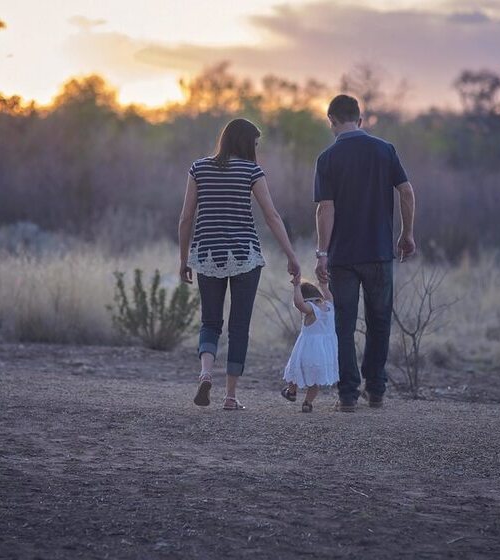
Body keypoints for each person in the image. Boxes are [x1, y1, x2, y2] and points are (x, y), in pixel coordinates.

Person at [178, 118, 301, 410]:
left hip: (207, 254)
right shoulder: (251, 171)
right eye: (255, 143)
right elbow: (271, 216)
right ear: (246, 143)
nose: (256, 149)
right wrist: (291, 255)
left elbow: (185, 218)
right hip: (245, 256)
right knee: (239, 326)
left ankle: (206, 372)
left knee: (210, 321)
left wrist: (184, 259)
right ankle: (230, 396)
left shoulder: (199, 168)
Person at [313, 94, 416, 412]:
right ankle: (376, 390)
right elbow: (406, 192)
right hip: (379, 252)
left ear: (331, 120)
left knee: (344, 324)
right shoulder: (385, 150)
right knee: (379, 321)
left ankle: (347, 395)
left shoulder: (327, 158)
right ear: (360, 119)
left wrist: (322, 253)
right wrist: (406, 233)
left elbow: (325, 209)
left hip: (343, 256)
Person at [280, 279, 339, 412]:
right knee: (315, 379)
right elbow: (328, 295)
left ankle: (291, 391)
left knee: (295, 370)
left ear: (306, 299)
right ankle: (307, 402)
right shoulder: (330, 305)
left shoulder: (311, 309)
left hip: (307, 350)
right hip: (324, 353)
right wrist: (323, 285)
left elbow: (299, 303)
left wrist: (296, 287)